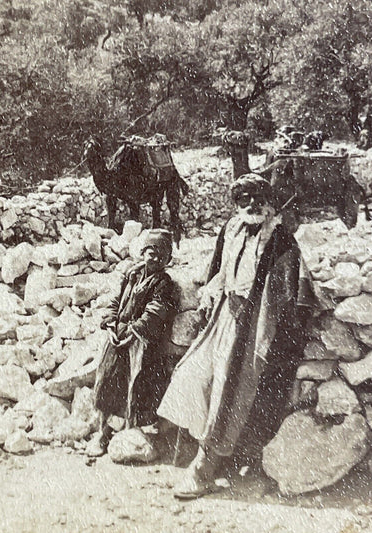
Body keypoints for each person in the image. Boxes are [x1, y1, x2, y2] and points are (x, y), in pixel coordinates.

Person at [157, 174, 312, 499]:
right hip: (224, 316)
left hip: (258, 327)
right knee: (191, 373)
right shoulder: (231, 229)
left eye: (258, 199)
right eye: (244, 200)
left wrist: (259, 326)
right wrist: (213, 296)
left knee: (231, 386)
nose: (252, 206)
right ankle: (195, 449)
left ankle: (205, 466)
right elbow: (217, 272)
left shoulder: (281, 240)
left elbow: (286, 295)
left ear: (270, 204)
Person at [87, 229, 178, 457]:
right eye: (151, 252)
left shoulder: (163, 283)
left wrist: (133, 331)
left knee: (136, 389)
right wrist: (110, 321)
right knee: (109, 378)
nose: (155, 258)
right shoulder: (132, 274)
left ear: (168, 259)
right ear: (142, 252)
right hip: (119, 337)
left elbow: (155, 313)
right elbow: (116, 300)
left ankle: (130, 433)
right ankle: (103, 431)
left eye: (161, 254)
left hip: (143, 343)